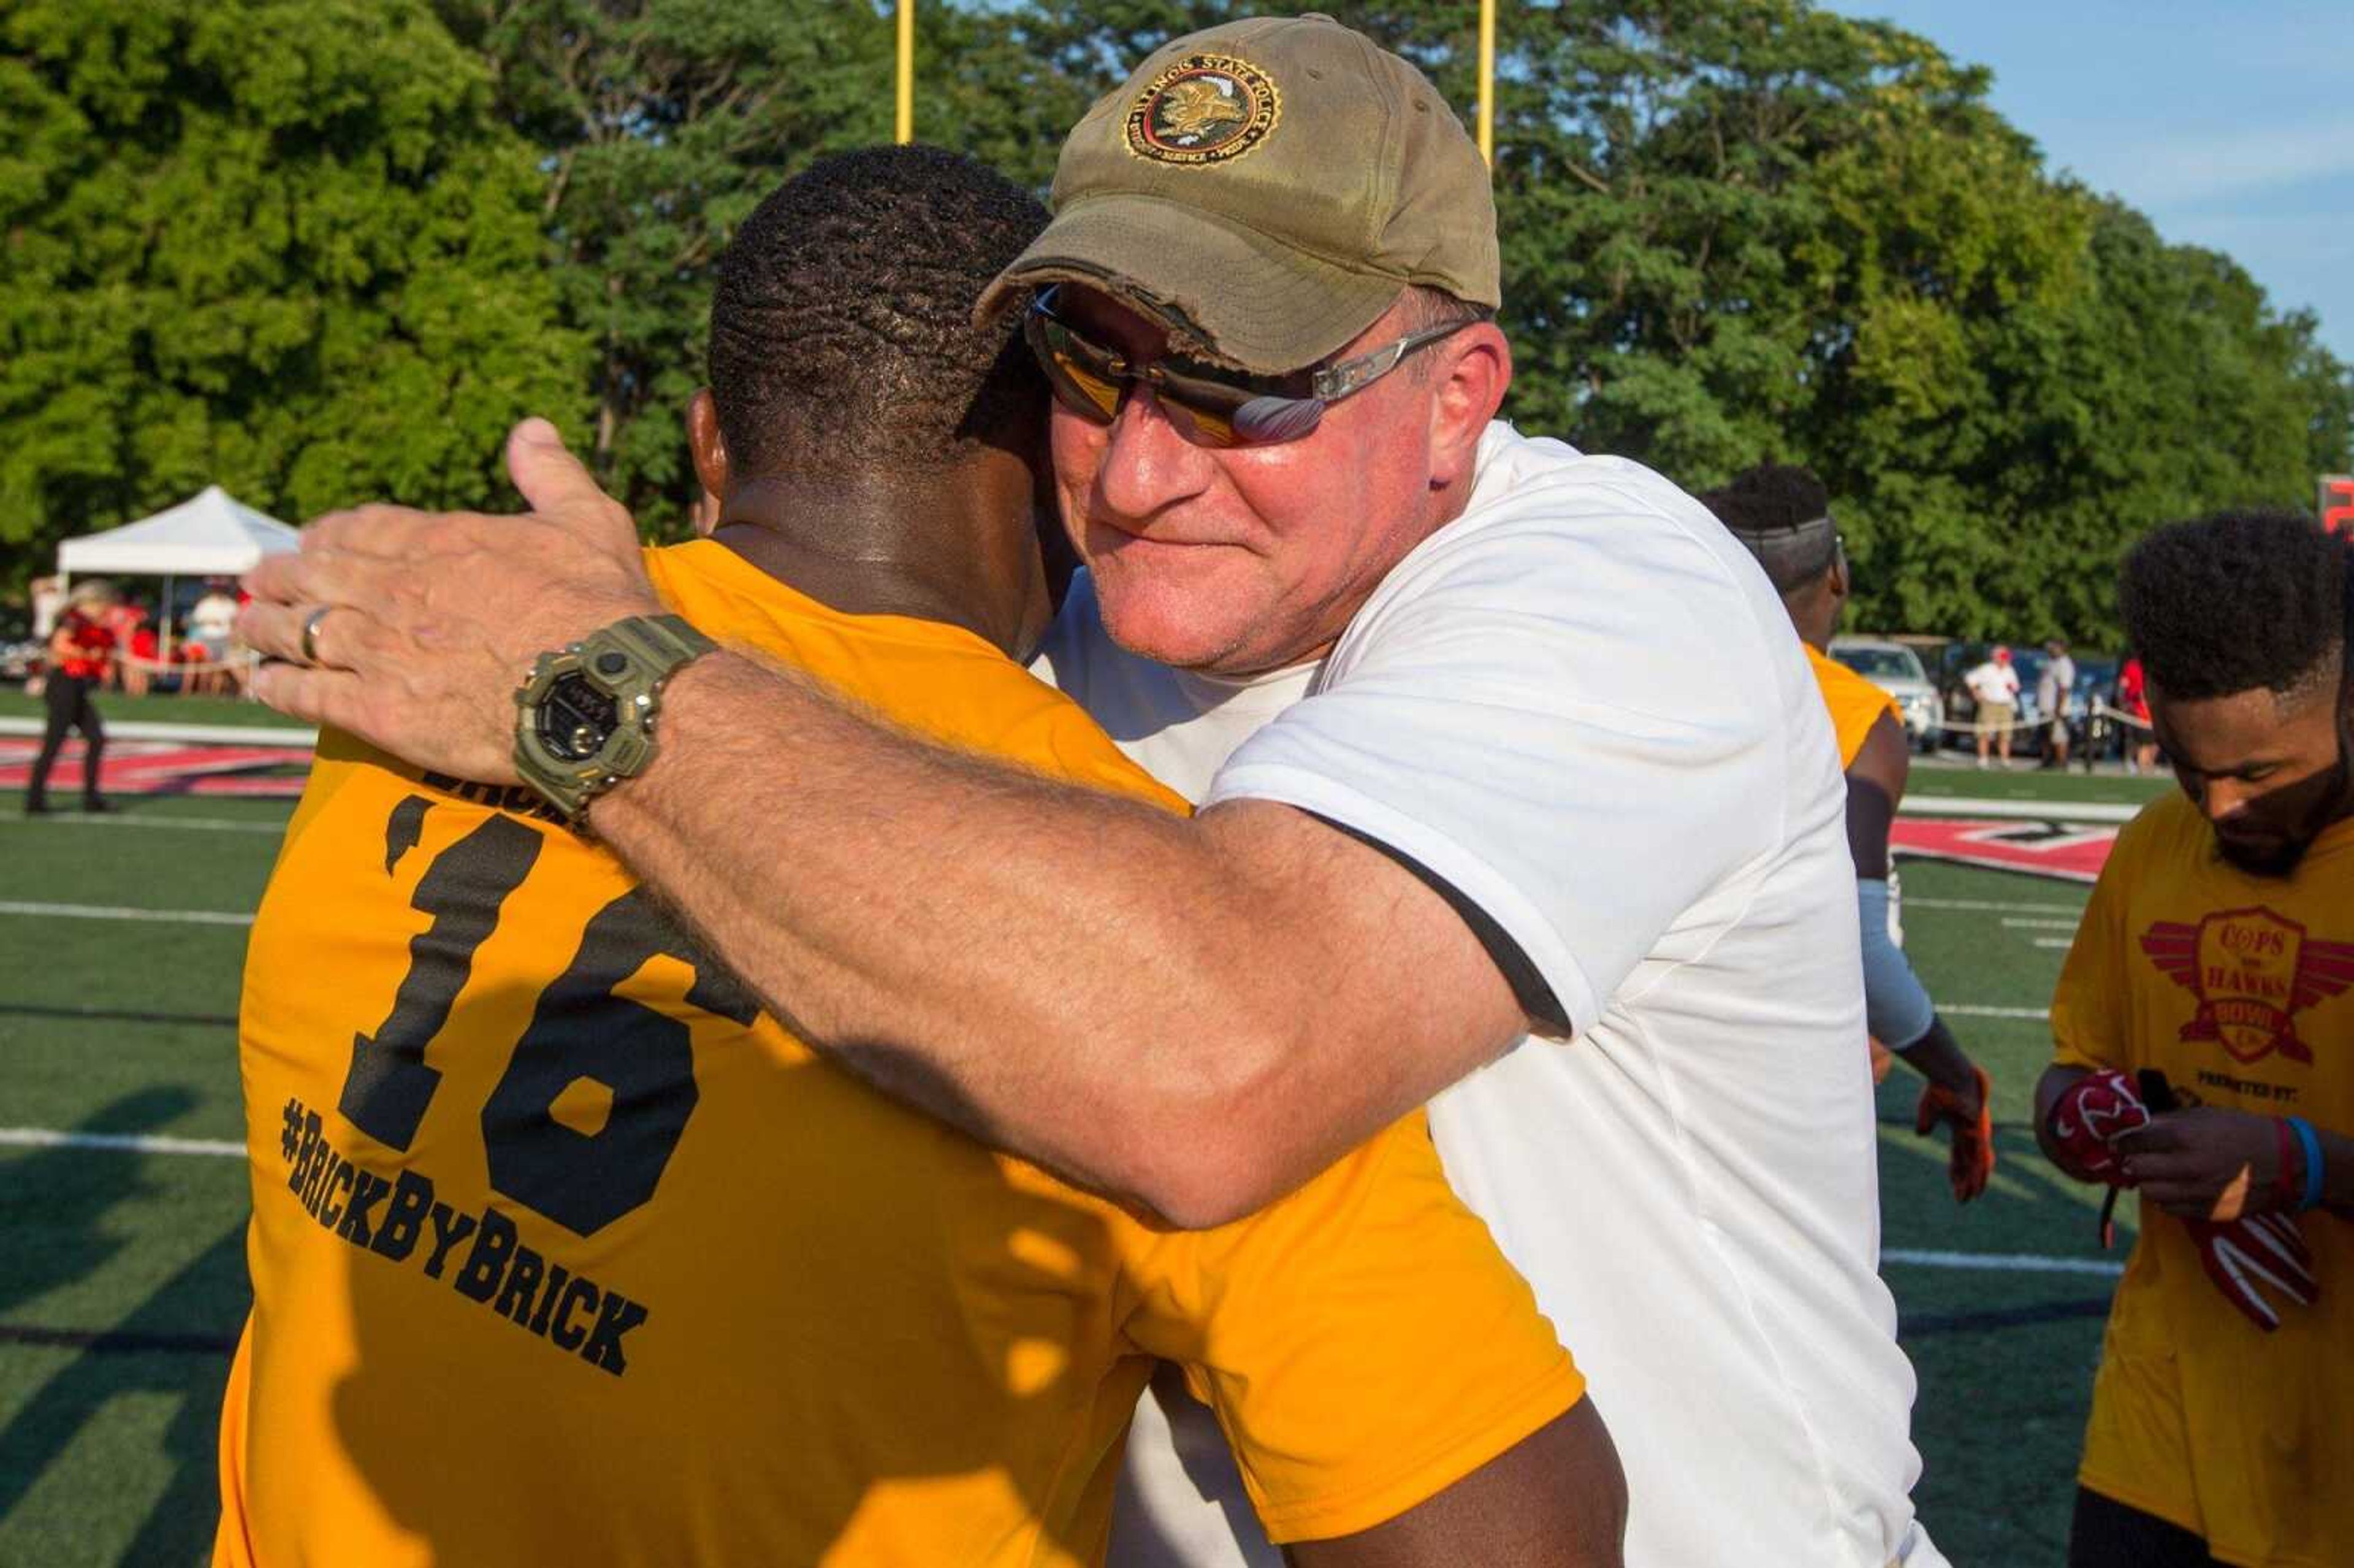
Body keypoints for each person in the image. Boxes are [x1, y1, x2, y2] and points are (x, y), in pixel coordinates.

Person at [240, 18, 1935, 1565]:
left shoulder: (1616, 591)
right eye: (1084, 355)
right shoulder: (1082, 610)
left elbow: (1220, 1048)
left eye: (1241, 382)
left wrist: (587, 682)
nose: (1132, 469)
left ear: (1458, 398)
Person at [2035, 510, 2353, 1568]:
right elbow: (2077, 1066)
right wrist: (2090, 1116)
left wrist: (2306, 1166)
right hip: (2159, 1428)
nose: (2216, 806)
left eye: (2259, 773)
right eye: (2184, 765)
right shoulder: (2151, 845)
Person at [1700, 465, 1994, 1204]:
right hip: (1777, 1081)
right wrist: (1957, 1075)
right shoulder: (1856, 717)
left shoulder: (1659, 678)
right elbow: (1856, 943)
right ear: (1838, 573)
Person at [25, 579, 116, 815]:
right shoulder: (73, 619)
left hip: (77, 686)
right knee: (54, 743)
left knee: (95, 737)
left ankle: (91, 797)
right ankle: (35, 799)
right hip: (63, 685)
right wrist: (90, 655)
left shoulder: (89, 624)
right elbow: (60, 646)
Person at [1964, 645, 2022, 767]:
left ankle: (2005, 760)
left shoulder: (2010, 670)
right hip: (1989, 704)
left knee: (2005, 733)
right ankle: (1983, 759)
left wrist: (2012, 688)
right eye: (2003, 657)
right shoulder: (1986, 669)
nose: (2006, 660)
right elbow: (1970, 679)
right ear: (1996, 657)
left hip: (2005, 705)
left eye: (2006, 657)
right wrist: (1976, 693)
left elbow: (2015, 687)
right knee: (1984, 732)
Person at [2117, 652, 2159, 774]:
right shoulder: (2131, 667)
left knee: (2155, 742)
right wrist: (2123, 704)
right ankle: (2135, 764)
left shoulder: (2152, 667)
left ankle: (2146, 764)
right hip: (2136, 709)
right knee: (2139, 741)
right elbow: (2123, 687)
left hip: (2150, 710)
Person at [2041, 637, 2078, 768]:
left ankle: (2061, 762)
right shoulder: (2051, 662)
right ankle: (2047, 762)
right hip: (2046, 708)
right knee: (2046, 737)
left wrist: (2059, 708)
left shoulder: (2065, 664)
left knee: (2059, 737)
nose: (2050, 649)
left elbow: (2064, 688)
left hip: (2057, 709)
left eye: (2054, 646)